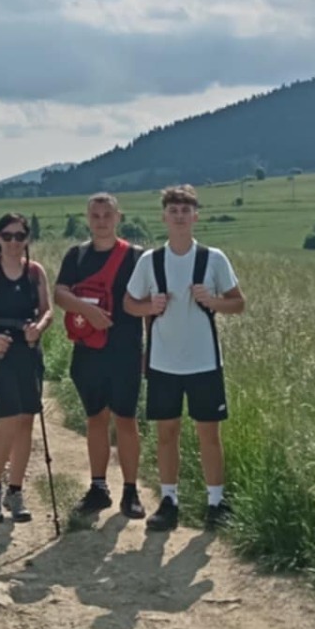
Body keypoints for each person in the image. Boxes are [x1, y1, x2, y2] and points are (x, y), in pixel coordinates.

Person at [124, 184, 245, 531]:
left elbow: (238, 303)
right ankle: (169, 501)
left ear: (196, 216)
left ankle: (216, 503)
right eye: (173, 211)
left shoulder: (213, 258)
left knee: (210, 434)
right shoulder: (150, 261)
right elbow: (129, 304)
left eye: (185, 210)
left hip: (205, 362)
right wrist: (150, 306)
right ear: (164, 217)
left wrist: (212, 301)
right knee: (167, 433)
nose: (179, 216)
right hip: (163, 363)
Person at [54, 193, 145, 521]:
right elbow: (60, 293)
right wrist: (87, 311)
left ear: (118, 217)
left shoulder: (137, 257)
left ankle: (131, 491)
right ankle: (98, 488)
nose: (102, 221)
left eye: (107, 215)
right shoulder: (76, 256)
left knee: (126, 420)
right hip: (88, 352)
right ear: (87, 218)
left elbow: (149, 303)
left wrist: (150, 351)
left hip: (126, 351)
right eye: (96, 215)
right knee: (95, 419)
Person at [0, 212, 53, 524]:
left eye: (20, 236)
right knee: (9, 421)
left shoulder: (35, 272)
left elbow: (47, 311)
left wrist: (38, 328)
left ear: (27, 238)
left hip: (27, 350)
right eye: (7, 236)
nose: (14, 242)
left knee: (26, 420)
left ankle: (15, 491)